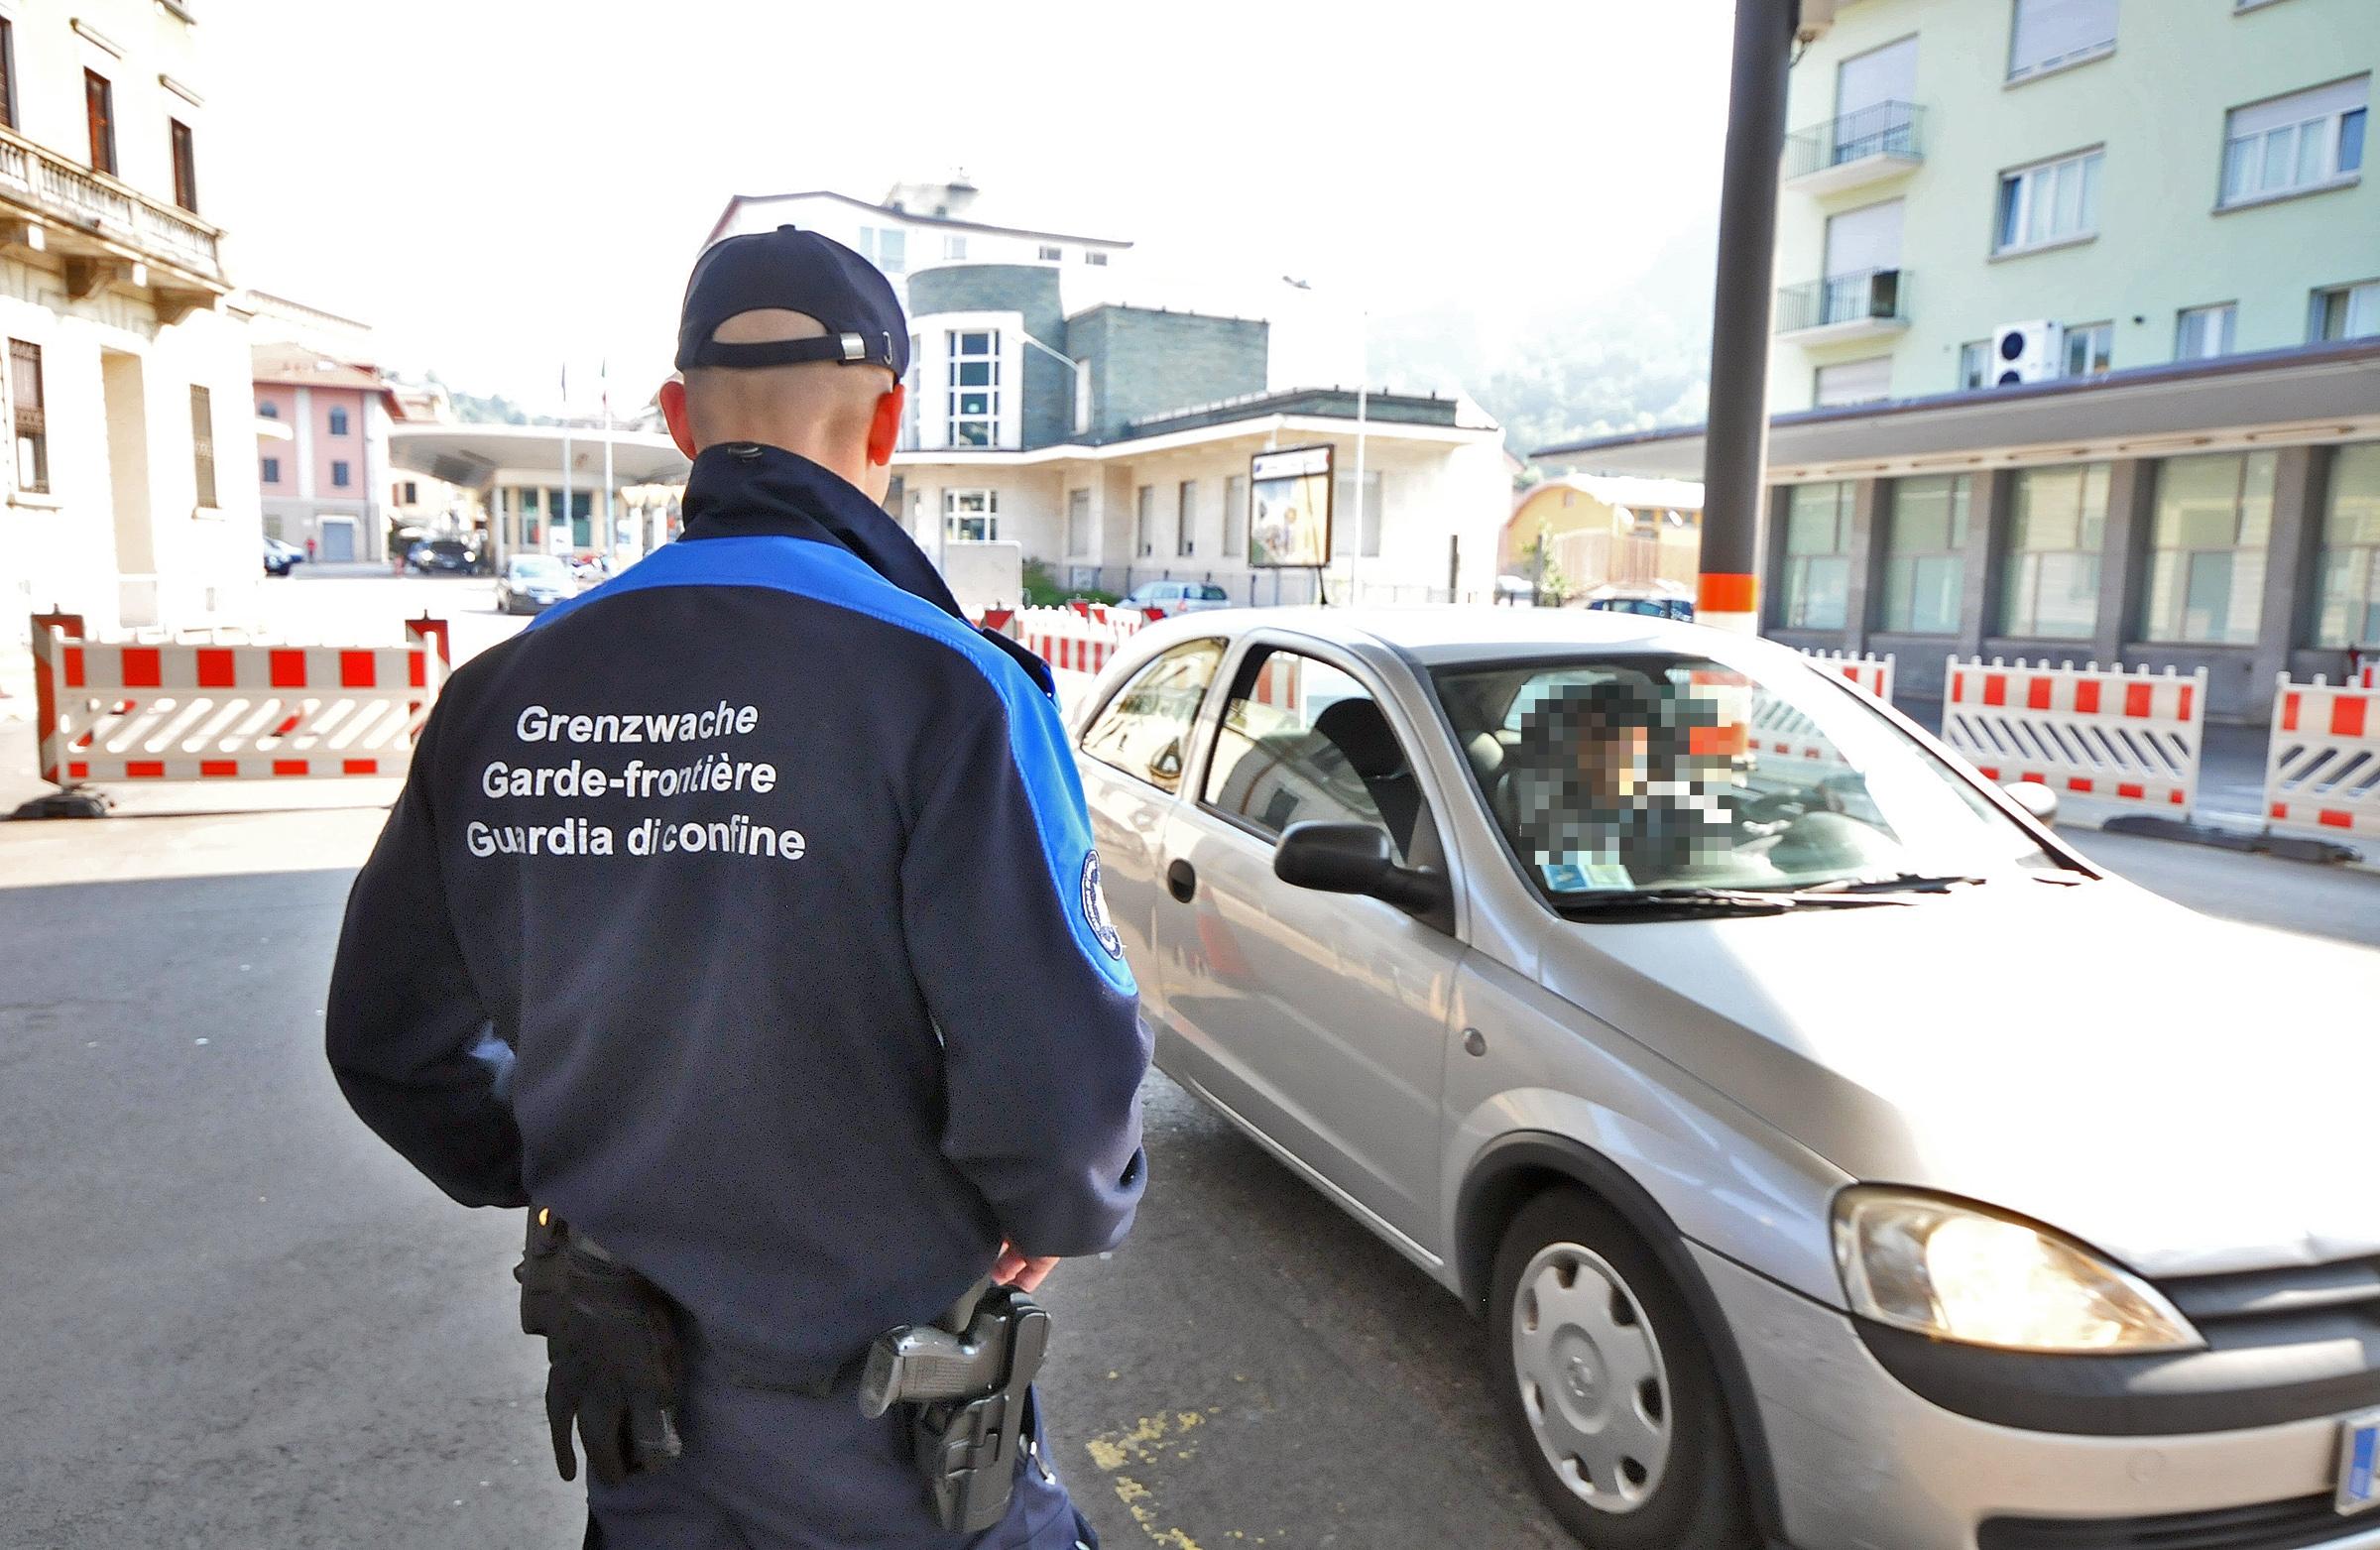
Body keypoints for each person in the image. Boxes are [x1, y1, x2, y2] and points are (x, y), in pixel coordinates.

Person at [325, 226, 1148, 1550]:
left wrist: (579, 1176)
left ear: (675, 419)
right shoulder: (954, 691)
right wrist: (1056, 1207)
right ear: (893, 415)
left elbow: (388, 1046)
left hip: (638, 1407)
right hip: (890, 1429)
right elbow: (1058, 1087)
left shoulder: (502, 695)